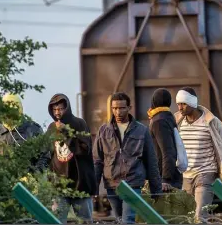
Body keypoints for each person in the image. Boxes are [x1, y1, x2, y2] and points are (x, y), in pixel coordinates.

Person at [93, 92, 162, 224]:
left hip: (133, 183)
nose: (118, 112)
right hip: (112, 185)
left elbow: (151, 161)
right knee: (119, 220)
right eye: (114, 108)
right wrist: (94, 188)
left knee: (127, 220)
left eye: (121, 108)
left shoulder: (142, 131)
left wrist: (156, 189)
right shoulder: (103, 131)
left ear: (129, 108)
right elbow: (97, 161)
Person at [174, 87, 222, 222]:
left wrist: (218, 169)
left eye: (183, 104)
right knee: (187, 217)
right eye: (178, 104)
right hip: (185, 175)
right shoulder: (178, 122)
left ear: (192, 103)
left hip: (206, 173)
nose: (180, 107)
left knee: (200, 217)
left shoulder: (210, 121)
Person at [43, 93, 97, 223]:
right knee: (56, 221)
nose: (58, 112)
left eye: (60, 109)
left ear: (67, 108)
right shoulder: (51, 128)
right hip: (59, 187)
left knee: (84, 221)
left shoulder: (79, 124)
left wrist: (66, 132)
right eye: (55, 109)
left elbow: (85, 149)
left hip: (80, 185)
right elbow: (46, 154)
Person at [0, 93, 47, 171]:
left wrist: (34, 174)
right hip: (1, 180)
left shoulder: (33, 129)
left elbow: (45, 156)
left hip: (29, 180)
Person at [147, 88, 183, 190]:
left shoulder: (159, 121)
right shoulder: (167, 116)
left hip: (165, 181)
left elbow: (168, 151)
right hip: (169, 177)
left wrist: (165, 179)